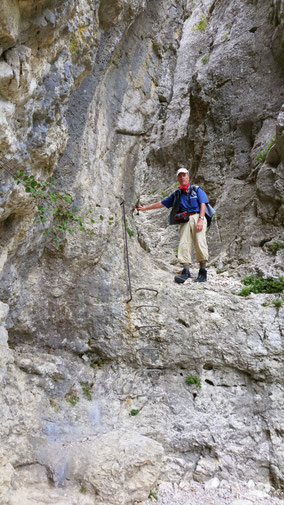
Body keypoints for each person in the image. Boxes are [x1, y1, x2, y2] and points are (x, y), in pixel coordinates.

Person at [137, 167, 209, 283]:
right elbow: (162, 203)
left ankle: (202, 272)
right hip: (185, 220)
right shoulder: (177, 194)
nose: (182, 178)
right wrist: (145, 208)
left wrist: (200, 219)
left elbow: (203, 204)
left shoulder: (196, 189)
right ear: (177, 178)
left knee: (200, 242)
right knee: (184, 244)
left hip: (197, 217)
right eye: (180, 176)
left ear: (188, 176)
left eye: (184, 175)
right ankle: (186, 271)